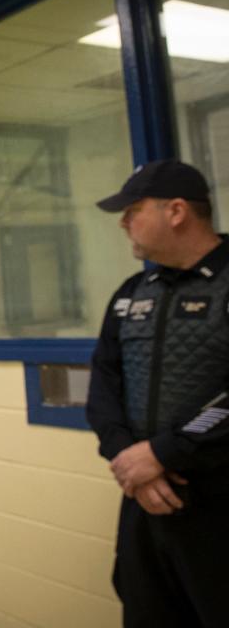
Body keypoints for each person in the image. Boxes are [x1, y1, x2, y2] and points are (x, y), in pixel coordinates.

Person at [86, 159, 229, 627]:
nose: (124, 223)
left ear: (177, 211)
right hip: (145, 501)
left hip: (217, 501)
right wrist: (131, 460)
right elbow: (103, 385)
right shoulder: (132, 293)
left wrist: (165, 452)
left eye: (133, 210)